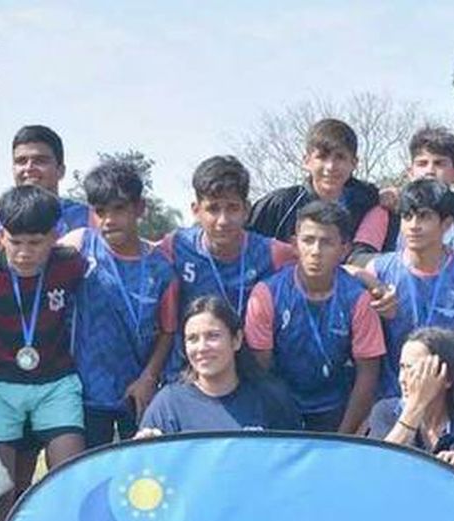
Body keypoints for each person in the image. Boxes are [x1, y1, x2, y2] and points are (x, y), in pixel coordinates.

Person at [0, 184, 87, 479]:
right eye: (15, 242)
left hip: (55, 384)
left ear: (55, 235)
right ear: (1, 234)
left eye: (35, 242)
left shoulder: (69, 264)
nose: (23, 253)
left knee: (69, 477)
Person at [63, 159, 178, 446]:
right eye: (100, 211)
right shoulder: (79, 246)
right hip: (85, 391)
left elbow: (168, 330)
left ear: (140, 208)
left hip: (136, 391)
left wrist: (149, 377)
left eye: (119, 209)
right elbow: (32, 253)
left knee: (140, 477)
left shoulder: (161, 268)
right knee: (87, 474)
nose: (109, 220)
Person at [244, 201, 384, 433]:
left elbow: (367, 374)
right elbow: (261, 371)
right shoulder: (267, 293)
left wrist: (343, 437)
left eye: (327, 242)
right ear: (295, 245)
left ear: (344, 249)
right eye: (308, 240)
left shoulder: (359, 299)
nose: (316, 251)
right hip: (282, 404)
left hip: (337, 408)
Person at [358, 179, 454, 399]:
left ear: (447, 224)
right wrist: (364, 277)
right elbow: (339, 273)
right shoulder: (379, 271)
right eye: (407, 217)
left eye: (424, 216)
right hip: (389, 399)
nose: (413, 225)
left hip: (446, 400)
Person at [160, 156, 294, 369]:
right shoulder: (176, 246)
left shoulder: (273, 253)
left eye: (232, 208)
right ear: (196, 210)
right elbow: (135, 255)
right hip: (188, 373)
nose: (223, 220)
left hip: (249, 375)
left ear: (246, 209)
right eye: (213, 209)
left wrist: (364, 278)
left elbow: (321, 263)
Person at [365, 326, 454, 493]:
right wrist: (415, 408)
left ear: (447, 377)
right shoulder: (385, 413)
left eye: (415, 370)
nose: (403, 379)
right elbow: (375, 473)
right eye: (402, 368)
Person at [137, 296, 301, 435]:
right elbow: (147, 468)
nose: (202, 348)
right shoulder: (168, 405)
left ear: (236, 340)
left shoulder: (271, 399)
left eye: (213, 336)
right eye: (192, 339)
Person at [351, 126, 454, 265]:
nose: (430, 171)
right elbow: (358, 259)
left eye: (439, 163)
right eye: (422, 163)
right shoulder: (386, 212)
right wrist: (408, 266)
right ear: (410, 172)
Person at [0, 125, 92, 252]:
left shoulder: (86, 217)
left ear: (61, 170)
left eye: (40, 161)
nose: (29, 168)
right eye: (21, 161)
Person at [247, 117, 381, 243]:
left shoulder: (369, 203)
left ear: (354, 163)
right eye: (322, 157)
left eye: (340, 157)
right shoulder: (280, 205)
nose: (330, 167)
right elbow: (245, 250)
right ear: (306, 161)